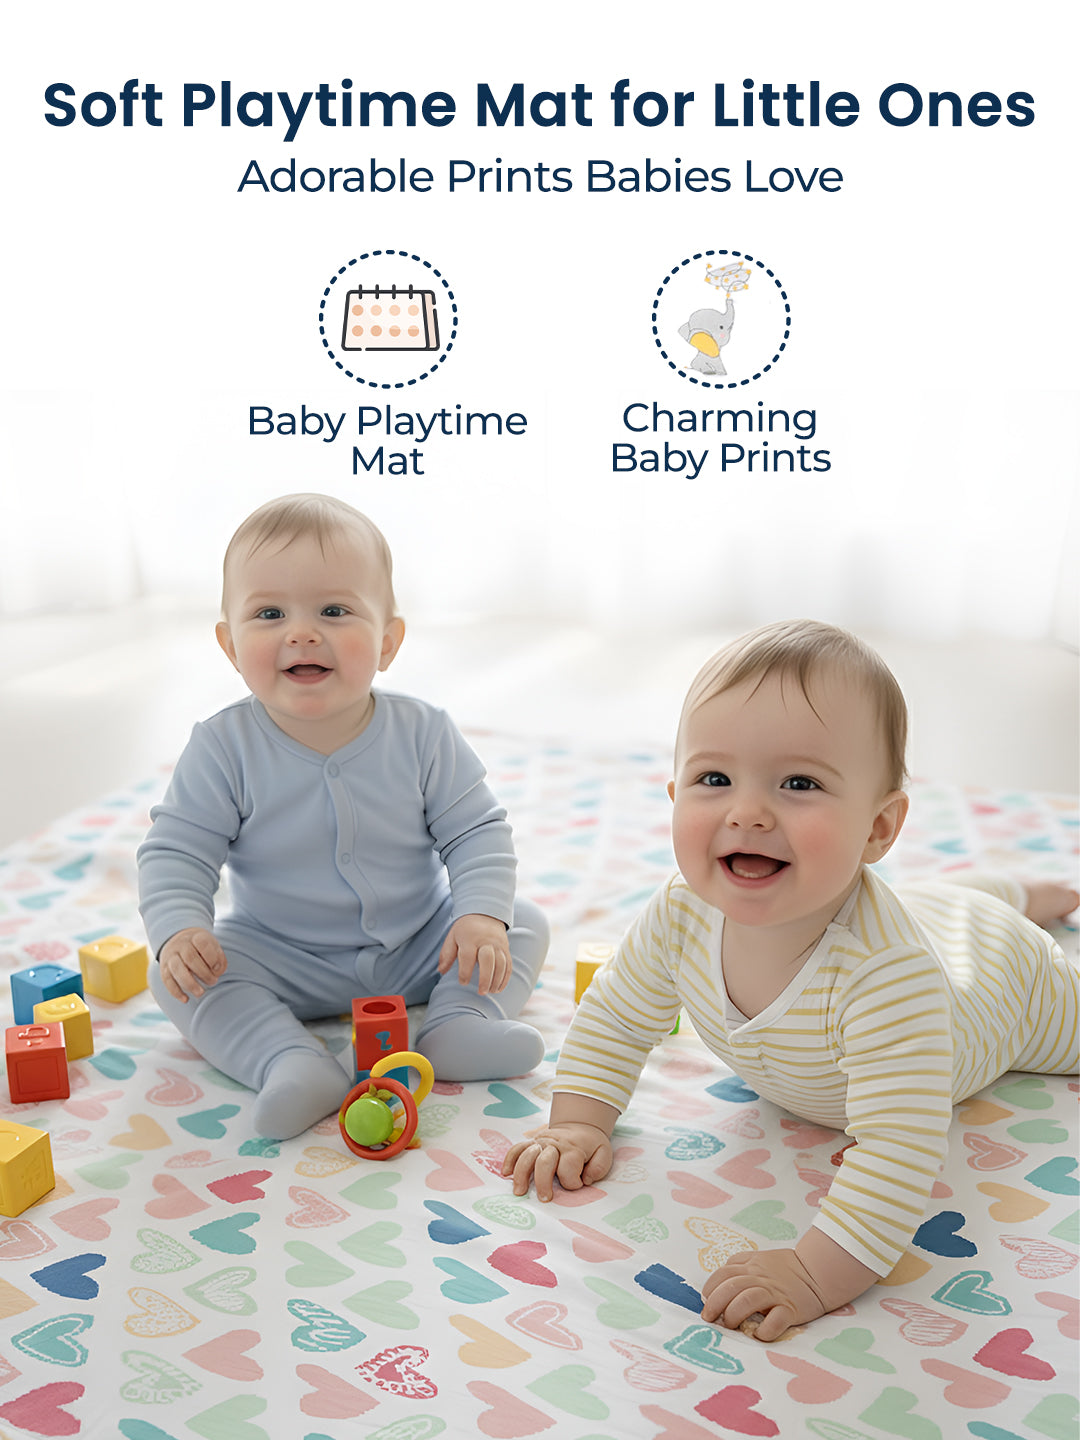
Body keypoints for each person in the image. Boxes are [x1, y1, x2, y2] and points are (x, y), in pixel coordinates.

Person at [503, 619, 1079, 1340]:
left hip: (1003, 983)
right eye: (715, 779)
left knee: (975, 931)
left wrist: (815, 1272)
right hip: (929, 914)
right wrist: (578, 1121)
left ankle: (1016, 906)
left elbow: (898, 1149)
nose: (747, 811)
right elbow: (617, 1018)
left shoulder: (886, 977)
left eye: (799, 783)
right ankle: (1007, 888)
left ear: (879, 829)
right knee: (939, 902)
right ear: (674, 789)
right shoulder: (682, 913)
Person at [138, 493, 548, 1140]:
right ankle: (289, 1061)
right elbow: (177, 851)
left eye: (334, 610)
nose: (302, 633)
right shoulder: (223, 746)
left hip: (419, 942)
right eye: (269, 613)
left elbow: (476, 832)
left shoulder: (423, 732)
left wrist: (478, 916)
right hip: (281, 953)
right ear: (229, 644)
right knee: (175, 978)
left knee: (519, 922)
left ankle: (457, 1024)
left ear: (388, 642)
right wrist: (180, 929)